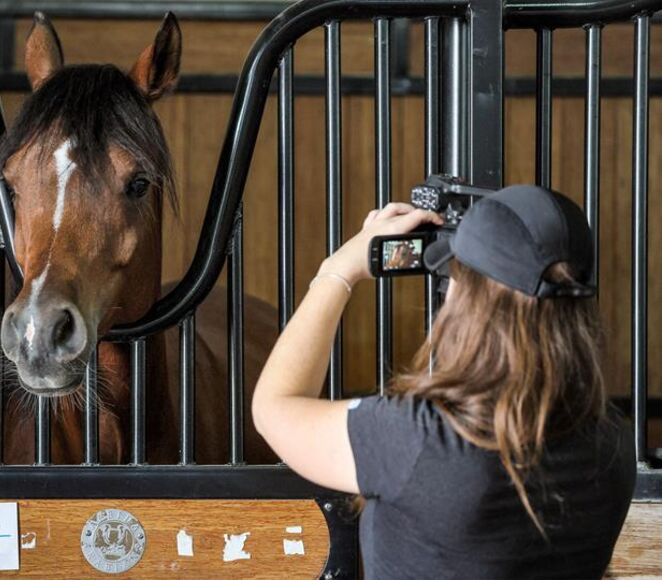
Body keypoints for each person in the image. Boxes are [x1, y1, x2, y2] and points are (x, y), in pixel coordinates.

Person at [252, 185, 636, 579]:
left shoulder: (422, 438)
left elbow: (273, 408)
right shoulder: (613, 441)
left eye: (453, 275)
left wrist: (337, 271)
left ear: (468, 300)